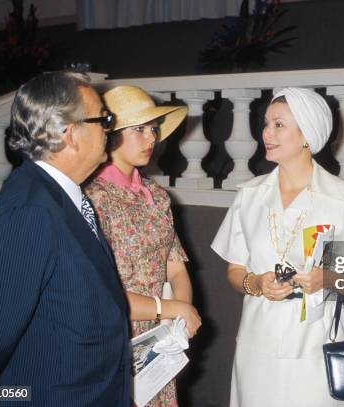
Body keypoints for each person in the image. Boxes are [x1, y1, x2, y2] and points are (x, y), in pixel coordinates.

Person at [0, 71, 130, 405]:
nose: (109, 129)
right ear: (71, 134)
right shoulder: (32, 211)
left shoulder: (62, 197)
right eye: (104, 119)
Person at [211, 87, 344, 407]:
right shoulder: (249, 195)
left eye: (279, 125)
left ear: (307, 134)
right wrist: (256, 283)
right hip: (257, 344)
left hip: (317, 345)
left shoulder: (341, 196)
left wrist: (327, 280)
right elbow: (234, 271)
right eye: (266, 124)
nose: (266, 133)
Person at [84, 85, 201, 407]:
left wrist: (176, 323)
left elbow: (176, 268)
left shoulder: (157, 196)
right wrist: (172, 309)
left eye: (153, 129)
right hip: (112, 333)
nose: (152, 138)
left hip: (158, 338)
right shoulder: (93, 198)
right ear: (111, 135)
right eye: (139, 130)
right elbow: (98, 293)